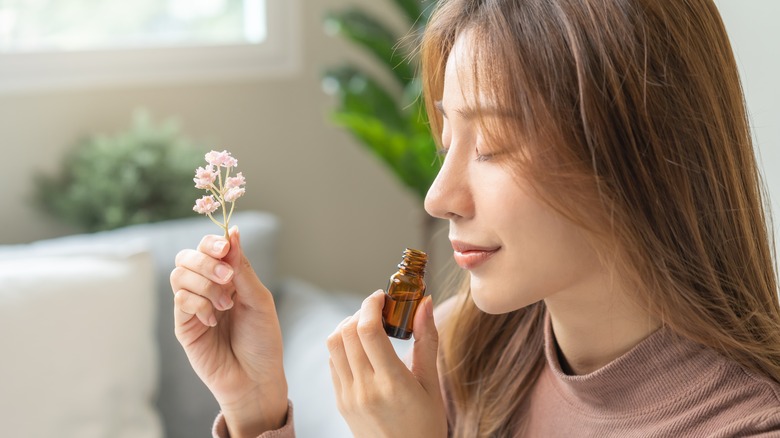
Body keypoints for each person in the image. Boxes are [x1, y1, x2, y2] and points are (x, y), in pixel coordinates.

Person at [169, 0, 780, 436]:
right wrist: (256, 410)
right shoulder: (478, 346)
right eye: (447, 138)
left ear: (635, 155)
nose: (439, 197)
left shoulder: (741, 424)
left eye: (490, 144)